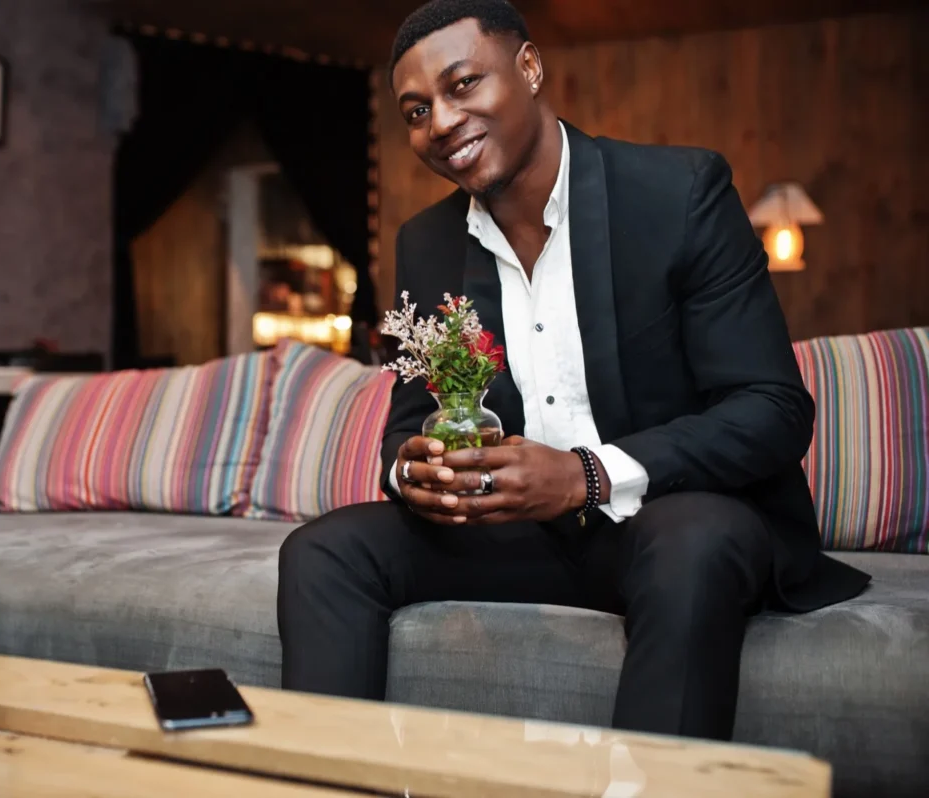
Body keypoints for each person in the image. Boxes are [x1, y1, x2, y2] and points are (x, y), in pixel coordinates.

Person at [276, 0, 872, 742]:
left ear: (529, 68)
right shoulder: (425, 244)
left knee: (694, 542)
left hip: (670, 521)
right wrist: (411, 469)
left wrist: (585, 475)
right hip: (519, 534)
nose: (442, 122)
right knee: (323, 551)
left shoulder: (679, 194)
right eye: (417, 110)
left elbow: (772, 409)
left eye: (463, 84)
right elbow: (406, 425)